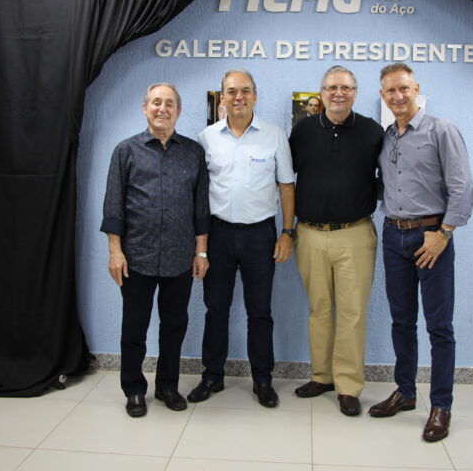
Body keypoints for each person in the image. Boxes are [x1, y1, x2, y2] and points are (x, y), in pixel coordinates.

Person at [370, 63, 473, 442]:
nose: (398, 96)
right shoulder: (386, 138)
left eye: (404, 89)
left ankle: (441, 405)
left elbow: (462, 187)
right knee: (401, 321)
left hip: (431, 238)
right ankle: (405, 392)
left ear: (416, 89)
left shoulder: (441, 130)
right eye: (390, 91)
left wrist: (443, 234)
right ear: (382, 95)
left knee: (439, 326)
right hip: (394, 236)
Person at [101, 83, 210, 417]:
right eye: (156, 102)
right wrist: (115, 252)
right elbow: (113, 206)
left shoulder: (193, 152)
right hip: (136, 257)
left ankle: (167, 386)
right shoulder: (126, 151)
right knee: (134, 328)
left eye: (169, 104)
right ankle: (134, 389)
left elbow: (201, 207)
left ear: (179, 111)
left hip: (180, 257)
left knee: (174, 326)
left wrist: (201, 252)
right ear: (145, 108)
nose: (162, 109)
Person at [189, 69, 296, 408]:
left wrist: (287, 232)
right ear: (222, 97)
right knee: (215, 309)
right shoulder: (206, 138)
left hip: (260, 236)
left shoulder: (275, 136)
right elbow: (198, 193)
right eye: (232, 91)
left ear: (255, 96)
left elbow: (287, 186)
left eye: (245, 91)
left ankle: (262, 380)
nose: (239, 97)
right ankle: (212, 376)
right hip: (218, 234)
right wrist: (200, 247)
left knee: (260, 312)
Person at [289, 65, 384, 416]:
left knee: (352, 313)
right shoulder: (302, 131)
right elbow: (285, 179)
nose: (338, 93)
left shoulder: (373, 132)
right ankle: (322, 376)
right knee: (319, 310)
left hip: (355, 234)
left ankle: (348, 385)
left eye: (345, 88)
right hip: (310, 234)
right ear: (321, 92)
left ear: (355, 93)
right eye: (331, 87)